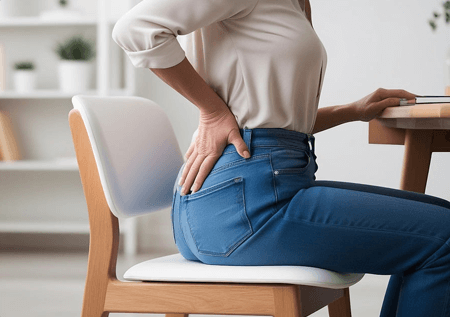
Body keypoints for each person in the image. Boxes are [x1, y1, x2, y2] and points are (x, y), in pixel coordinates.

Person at [112, 0, 450, 316]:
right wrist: (212, 112)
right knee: (444, 238)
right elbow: (136, 29)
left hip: (247, 195)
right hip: (242, 207)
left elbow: (270, 116)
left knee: (441, 221)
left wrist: (351, 111)